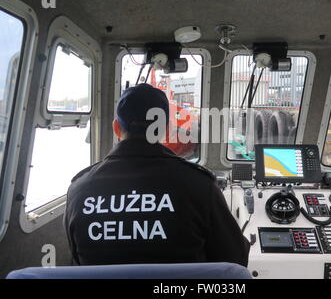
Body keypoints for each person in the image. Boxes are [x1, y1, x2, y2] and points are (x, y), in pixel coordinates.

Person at [64, 83, 250, 267]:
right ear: (165, 129)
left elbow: (77, 261)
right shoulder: (200, 186)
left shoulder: (79, 190)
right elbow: (235, 259)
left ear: (116, 128)